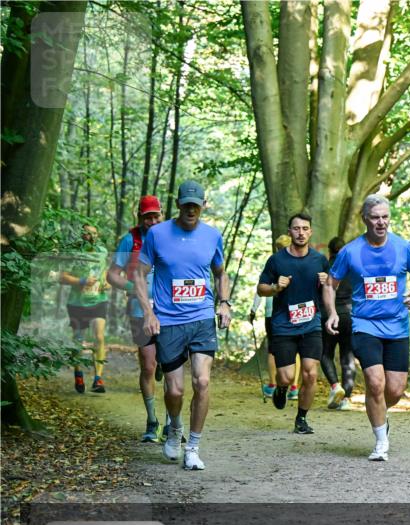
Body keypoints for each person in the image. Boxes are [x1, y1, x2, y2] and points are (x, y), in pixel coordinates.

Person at [134, 180, 232, 471]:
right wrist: (148, 313)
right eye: (186, 204)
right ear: (177, 204)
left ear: (203, 206)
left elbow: (220, 273)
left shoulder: (213, 236)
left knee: (202, 381)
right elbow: (139, 275)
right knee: (174, 391)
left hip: (201, 318)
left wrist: (224, 302)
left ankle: (193, 446)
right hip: (170, 322)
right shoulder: (157, 234)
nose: (191, 209)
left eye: (196, 205)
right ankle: (175, 427)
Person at [324, 195, 410, 461]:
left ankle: (380, 412)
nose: (381, 222)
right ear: (365, 219)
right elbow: (330, 283)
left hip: (397, 326)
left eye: (385, 217)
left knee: (394, 390)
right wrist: (332, 313)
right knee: (375, 382)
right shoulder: (350, 251)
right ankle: (381, 441)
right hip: (365, 325)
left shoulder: (403, 247)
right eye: (375, 217)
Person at [256, 213, 328, 434]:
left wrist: (327, 283)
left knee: (310, 373)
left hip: (311, 324)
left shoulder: (319, 260)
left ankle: (301, 418)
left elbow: (331, 288)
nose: (301, 233)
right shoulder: (277, 260)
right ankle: (281, 388)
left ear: (310, 231)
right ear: (290, 232)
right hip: (284, 325)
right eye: (296, 229)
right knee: (286, 376)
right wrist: (276, 287)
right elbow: (261, 288)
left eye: (305, 228)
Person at [108, 195, 165, 442]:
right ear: (139, 217)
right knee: (148, 364)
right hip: (139, 310)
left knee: (172, 364)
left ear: (161, 215)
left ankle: (174, 423)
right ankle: (152, 420)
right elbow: (112, 275)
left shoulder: (170, 237)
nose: (152, 221)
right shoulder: (130, 240)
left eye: (156, 215)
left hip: (169, 310)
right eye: (147, 216)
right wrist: (132, 287)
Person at [59, 224, 109, 394]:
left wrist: (106, 283)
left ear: (98, 235)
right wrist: (81, 281)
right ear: (82, 235)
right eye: (86, 233)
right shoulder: (73, 253)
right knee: (78, 340)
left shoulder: (102, 251)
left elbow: (104, 273)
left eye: (93, 233)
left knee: (99, 337)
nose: (90, 235)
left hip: (98, 301)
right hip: (77, 303)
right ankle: (78, 373)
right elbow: (62, 277)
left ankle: (98, 379)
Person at [250, 234, 292, 398]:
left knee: (273, 350)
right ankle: (293, 386)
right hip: (293, 311)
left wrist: (253, 310)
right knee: (293, 348)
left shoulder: (273, 263)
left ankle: (273, 384)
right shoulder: (297, 261)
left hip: (272, 312)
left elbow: (260, 289)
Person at [321, 237, 355, 410]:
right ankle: (345, 399)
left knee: (326, 353)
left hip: (330, 315)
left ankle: (335, 386)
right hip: (350, 315)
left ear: (330, 251)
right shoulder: (352, 266)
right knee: (347, 356)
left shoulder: (326, 266)